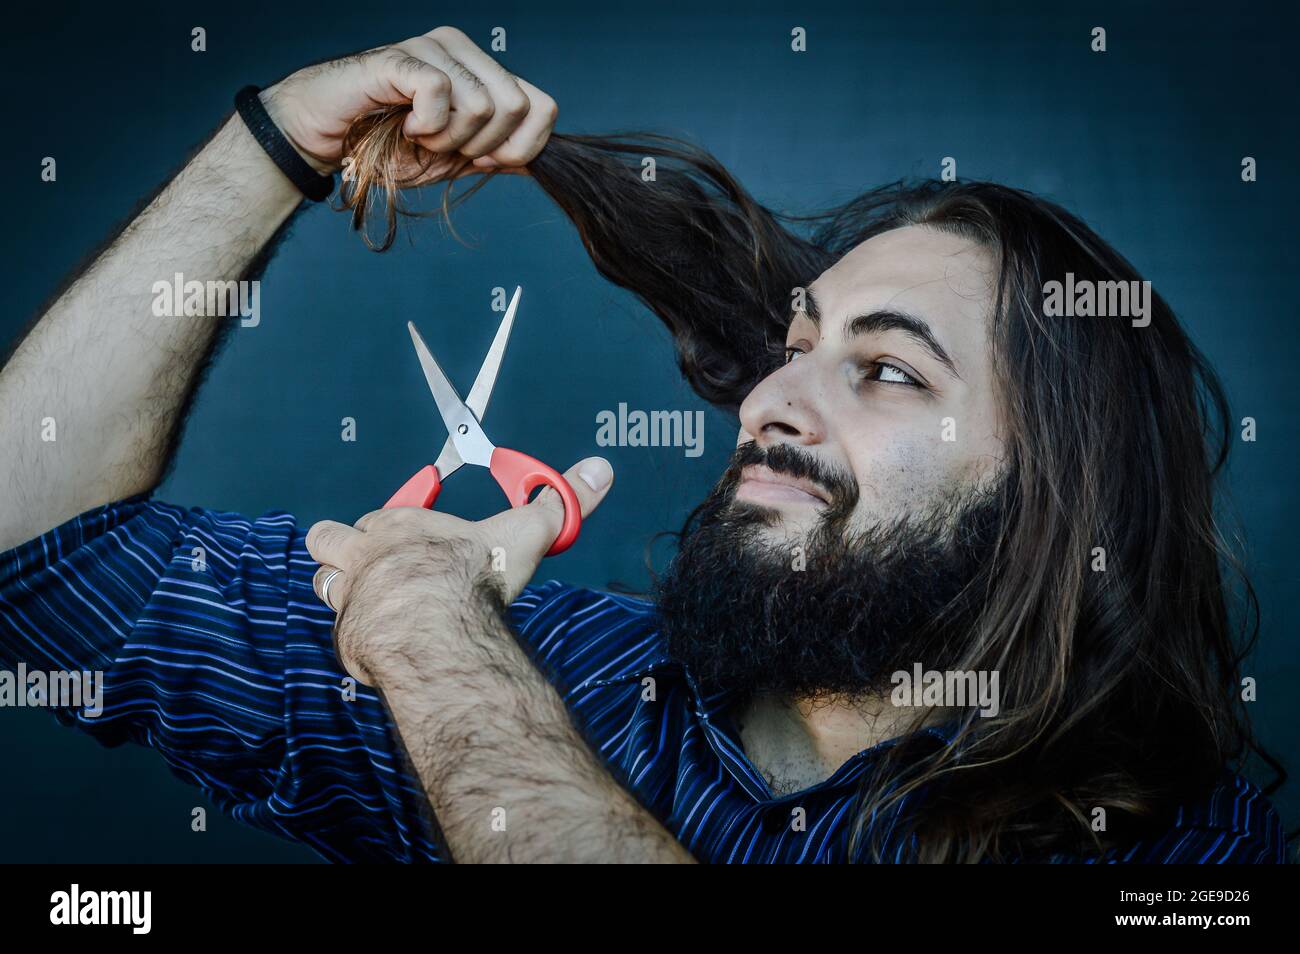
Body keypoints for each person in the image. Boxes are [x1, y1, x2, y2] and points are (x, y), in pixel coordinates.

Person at [0, 26, 1283, 863]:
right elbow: (31, 540)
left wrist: (433, 639)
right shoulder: (566, 668)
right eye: (796, 343)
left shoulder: (1181, 852)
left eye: (887, 371)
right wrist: (275, 141)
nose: (773, 399)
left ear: (1057, 491)